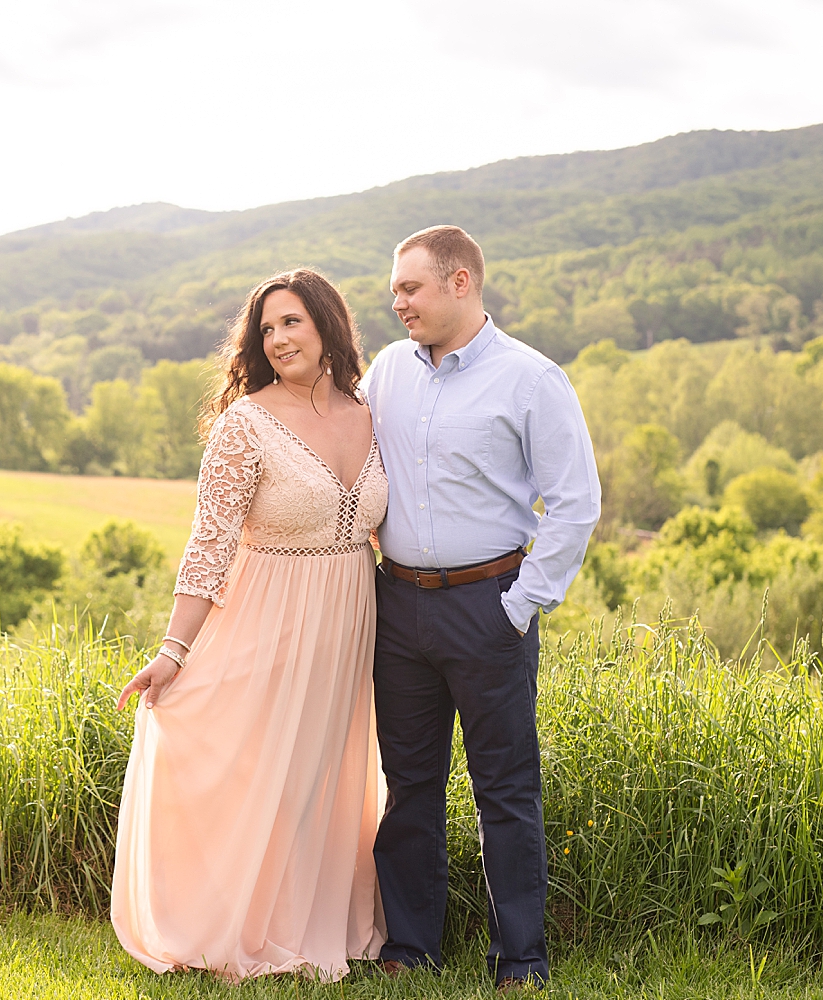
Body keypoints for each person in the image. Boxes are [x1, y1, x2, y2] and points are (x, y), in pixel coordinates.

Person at [111, 268, 388, 982]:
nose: (278, 338)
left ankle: (312, 921)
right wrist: (174, 650)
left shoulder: (372, 413)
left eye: (292, 321)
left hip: (350, 620)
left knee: (319, 777)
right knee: (256, 770)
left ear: (328, 324)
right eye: (267, 328)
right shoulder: (246, 423)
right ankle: (226, 924)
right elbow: (209, 542)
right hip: (266, 618)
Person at [362, 226, 601, 989]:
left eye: (410, 288)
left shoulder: (531, 379)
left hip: (488, 608)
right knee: (408, 786)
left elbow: (576, 504)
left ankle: (521, 959)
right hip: (396, 608)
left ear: (461, 283)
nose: (396, 302)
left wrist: (519, 605)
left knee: (505, 789)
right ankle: (409, 947)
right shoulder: (388, 371)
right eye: (395, 289)